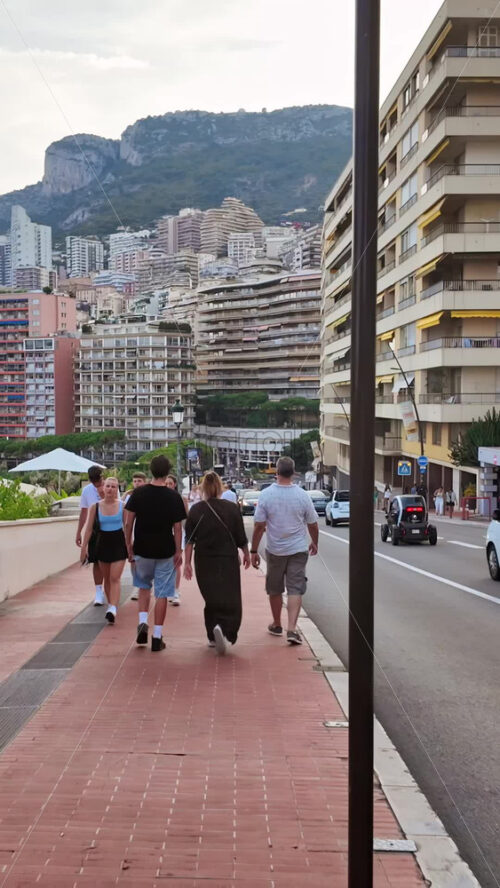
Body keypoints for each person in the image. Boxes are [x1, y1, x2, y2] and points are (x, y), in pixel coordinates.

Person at [250, 456, 319, 646]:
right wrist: (314, 542)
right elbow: (313, 524)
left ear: (277, 472)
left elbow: (259, 525)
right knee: (296, 587)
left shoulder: (266, 495)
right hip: (298, 549)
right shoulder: (303, 495)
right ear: (293, 473)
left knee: (275, 588)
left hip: (275, 550)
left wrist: (254, 550)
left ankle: (277, 623)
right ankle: (292, 629)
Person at [124, 455, 186, 652]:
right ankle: (157, 636)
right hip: (165, 551)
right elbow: (178, 528)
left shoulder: (138, 493)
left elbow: (128, 522)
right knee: (162, 594)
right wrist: (178, 551)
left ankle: (142, 621)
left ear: (150, 470)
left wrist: (128, 545)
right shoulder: (173, 497)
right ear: (167, 472)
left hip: (142, 549)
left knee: (143, 587)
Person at [184, 471, 250, 654]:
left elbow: (189, 540)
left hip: (204, 559)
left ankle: (213, 633)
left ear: (202, 488)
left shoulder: (196, 510)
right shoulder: (231, 508)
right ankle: (227, 629)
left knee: (211, 596)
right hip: (227, 558)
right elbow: (240, 535)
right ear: (221, 487)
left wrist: (187, 563)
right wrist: (246, 553)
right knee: (231, 595)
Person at [80, 477, 127, 624]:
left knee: (115, 577)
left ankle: (113, 607)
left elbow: (127, 528)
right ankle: (110, 605)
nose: (110, 489)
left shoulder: (123, 506)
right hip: (103, 543)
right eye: (108, 486)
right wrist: (84, 548)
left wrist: (130, 547)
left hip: (119, 543)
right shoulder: (95, 506)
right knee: (106, 577)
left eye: (113, 487)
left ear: (117, 490)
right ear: (103, 488)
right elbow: (88, 529)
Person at [76, 465, 105, 606]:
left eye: (99, 480)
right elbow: (84, 513)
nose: (97, 483)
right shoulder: (87, 491)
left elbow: (118, 506)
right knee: (97, 561)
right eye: (94, 481)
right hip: (95, 528)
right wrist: (79, 532)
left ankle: (111, 591)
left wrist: (104, 494)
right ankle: (99, 592)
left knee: (110, 562)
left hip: (110, 527)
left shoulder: (110, 487)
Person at [122, 472, 148, 600]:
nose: (137, 483)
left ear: (145, 481)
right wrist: (127, 538)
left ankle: (144, 585)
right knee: (133, 561)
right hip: (132, 532)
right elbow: (126, 517)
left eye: (139, 481)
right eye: (135, 481)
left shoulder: (149, 495)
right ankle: (137, 586)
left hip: (146, 533)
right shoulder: (129, 497)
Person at [165, 474, 189, 606]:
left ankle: (176, 590)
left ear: (174, 484)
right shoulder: (161, 498)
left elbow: (186, 518)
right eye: (166, 483)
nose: (168, 485)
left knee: (176, 563)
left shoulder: (181, 499)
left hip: (179, 533)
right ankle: (166, 589)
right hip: (164, 534)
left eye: (170, 483)